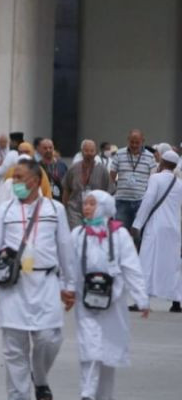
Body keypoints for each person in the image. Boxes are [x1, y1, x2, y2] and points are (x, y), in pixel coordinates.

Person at [0, 159, 75, 400]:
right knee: (14, 349)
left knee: (49, 339)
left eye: (20, 177)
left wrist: (69, 285)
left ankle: (40, 377)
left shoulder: (55, 210)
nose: (15, 182)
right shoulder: (5, 210)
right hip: (13, 285)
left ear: (34, 180)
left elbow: (65, 248)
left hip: (46, 284)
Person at [71, 190, 149, 400]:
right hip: (85, 302)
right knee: (90, 349)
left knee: (107, 355)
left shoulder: (119, 235)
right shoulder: (78, 234)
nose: (86, 207)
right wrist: (67, 289)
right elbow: (70, 266)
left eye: (91, 203)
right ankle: (87, 393)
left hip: (112, 304)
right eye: (85, 203)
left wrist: (141, 298)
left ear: (104, 207)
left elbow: (131, 267)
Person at [131, 150, 182, 312]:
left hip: (155, 225)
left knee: (146, 260)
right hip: (173, 227)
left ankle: (141, 300)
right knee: (173, 264)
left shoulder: (155, 178)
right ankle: (176, 302)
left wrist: (137, 224)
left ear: (162, 163)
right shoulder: (180, 183)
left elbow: (148, 201)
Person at [110, 129, 156, 235]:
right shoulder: (119, 154)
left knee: (139, 235)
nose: (134, 145)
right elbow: (112, 174)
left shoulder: (150, 156)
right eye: (132, 142)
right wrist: (115, 188)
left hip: (141, 201)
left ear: (142, 141)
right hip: (122, 200)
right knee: (120, 233)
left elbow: (153, 178)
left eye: (137, 142)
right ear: (128, 140)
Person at [62, 140, 113, 228]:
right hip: (75, 210)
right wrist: (65, 209)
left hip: (95, 211)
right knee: (76, 235)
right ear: (81, 152)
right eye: (86, 151)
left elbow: (109, 193)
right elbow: (66, 190)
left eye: (91, 151)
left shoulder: (102, 170)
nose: (89, 153)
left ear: (96, 152)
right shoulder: (73, 168)